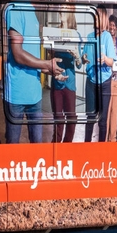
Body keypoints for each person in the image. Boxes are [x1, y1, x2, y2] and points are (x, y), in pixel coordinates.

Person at [4, 0, 61, 143]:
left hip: (35, 94)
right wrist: (46, 64)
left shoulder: (33, 14)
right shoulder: (16, 7)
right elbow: (18, 54)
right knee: (12, 147)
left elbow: (31, 55)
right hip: (17, 95)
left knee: (37, 147)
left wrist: (49, 70)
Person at [84, 7, 116, 142]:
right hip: (91, 83)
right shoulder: (89, 36)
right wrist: (83, 58)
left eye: (97, 16)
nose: (95, 18)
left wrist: (105, 59)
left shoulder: (107, 36)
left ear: (102, 19)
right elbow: (84, 57)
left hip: (104, 84)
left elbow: (111, 61)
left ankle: (101, 148)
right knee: (90, 119)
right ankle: (86, 146)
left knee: (102, 121)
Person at [49, 11, 81, 142]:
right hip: (57, 81)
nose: (61, 12)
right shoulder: (54, 33)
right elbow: (49, 57)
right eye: (60, 11)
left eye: (64, 10)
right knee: (58, 117)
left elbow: (79, 64)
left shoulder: (76, 35)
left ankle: (67, 145)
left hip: (70, 82)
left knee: (71, 118)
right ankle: (56, 146)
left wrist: (77, 56)